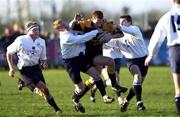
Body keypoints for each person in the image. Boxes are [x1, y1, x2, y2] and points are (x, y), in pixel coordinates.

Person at [53, 19, 114, 113]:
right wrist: (95, 31)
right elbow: (82, 38)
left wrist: (74, 20)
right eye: (62, 24)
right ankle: (75, 100)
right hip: (70, 63)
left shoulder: (67, 30)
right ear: (59, 28)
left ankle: (105, 97)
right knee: (80, 88)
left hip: (80, 58)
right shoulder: (66, 37)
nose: (65, 24)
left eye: (64, 23)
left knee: (96, 75)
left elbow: (71, 25)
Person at [70, 10, 128, 105]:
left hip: (98, 54)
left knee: (93, 80)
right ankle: (114, 85)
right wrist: (75, 20)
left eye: (101, 21)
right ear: (92, 19)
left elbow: (120, 33)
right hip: (89, 56)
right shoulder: (86, 23)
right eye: (97, 21)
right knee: (110, 62)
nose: (99, 24)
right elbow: (72, 27)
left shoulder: (105, 25)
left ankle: (76, 98)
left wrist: (110, 36)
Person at [6, 21, 62, 114]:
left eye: (38, 29)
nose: (37, 31)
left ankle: (24, 83)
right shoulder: (20, 40)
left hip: (36, 68)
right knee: (44, 89)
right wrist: (11, 68)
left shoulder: (41, 41)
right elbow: (9, 53)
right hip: (25, 70)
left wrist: (44, 63)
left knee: (44, 92)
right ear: (28, 31)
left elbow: (43, 58)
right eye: (34, 29)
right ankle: (57, 109)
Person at [106, 15, 148, 112]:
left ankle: (126, 101)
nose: (121, 23)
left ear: (129, 22)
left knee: (137, 85)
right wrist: (100, 34)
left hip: (143, 60)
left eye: (123, 21)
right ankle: (139, 103)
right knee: (137, 76)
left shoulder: (135, 29)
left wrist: (117, 26)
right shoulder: (117, 38)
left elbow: (123, 29)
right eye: (120, 22)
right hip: (131, 61)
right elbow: (106, 42)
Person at [144, 0, 180, 114]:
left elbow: (157, 37)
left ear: (172, 1)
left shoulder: (167, 16)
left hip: (175, 50)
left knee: (178, 90)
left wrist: (151, 54)